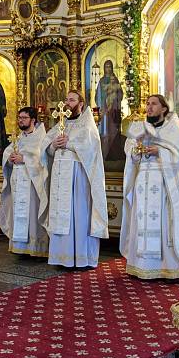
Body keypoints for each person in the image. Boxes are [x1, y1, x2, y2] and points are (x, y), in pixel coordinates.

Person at [120, 95, 179, 279]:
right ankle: (140, 265)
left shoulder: (172, 130)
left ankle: (167, 268)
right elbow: (131, 156)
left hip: (164, 183)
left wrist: (161, 151)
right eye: (147, 104)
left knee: (163, 223)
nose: (149, 108)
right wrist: (136, 149)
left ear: (164, 109)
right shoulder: (139, 128)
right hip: (143, 182)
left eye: (153, 104)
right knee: (141, 220)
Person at [43, 90, 108, 268]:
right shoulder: (59, 125)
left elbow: (90, 149)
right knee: (60, 213)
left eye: (72, 100)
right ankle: (61, 257)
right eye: (66, 99)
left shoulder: (86, 124)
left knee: (78, 215)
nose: (67, 103)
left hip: (78, 176)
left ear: (81, 104)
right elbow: (46, 148)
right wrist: (52, 146)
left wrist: (68, 144)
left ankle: (81, 258)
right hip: (59, 175)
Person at [0, 107, 49, 257]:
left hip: (33, 184)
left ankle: (36, 248)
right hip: (18, 182)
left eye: (24, 118)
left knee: (33, 215)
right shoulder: (18, 138)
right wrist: (9, 158)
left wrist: (25, 159)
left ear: (33, 120)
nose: (20, 120)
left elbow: (42, 159)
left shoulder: (41, 138)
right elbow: (7, 152)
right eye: (19, 117)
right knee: (18, 213)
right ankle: (19, 246)